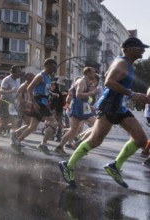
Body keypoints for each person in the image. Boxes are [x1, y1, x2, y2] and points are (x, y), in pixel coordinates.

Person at [59, 37, 149, 188]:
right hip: (109, 106)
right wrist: (132, 94)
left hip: (119, 107)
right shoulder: (122, 63)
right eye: (139, 47)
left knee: (140, 139)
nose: (143, 50)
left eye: (143, 48)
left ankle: (114, 166)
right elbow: (109, 81)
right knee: (95, 140)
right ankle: (68, 165)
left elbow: (108, 74)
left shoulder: (124, 63)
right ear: (127, 49)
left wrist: (131, 94)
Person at [10, 59, 59, 154]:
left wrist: (52, 94)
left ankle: (17, 142)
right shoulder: (40, 76)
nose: (55, 69)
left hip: (42, 103)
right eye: (53, 67)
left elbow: (44, 90)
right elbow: (29, 89)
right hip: (39, 104)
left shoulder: (48, 77)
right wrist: (34, 103)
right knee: (54, 123)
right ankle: (43, 144)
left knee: (32, 127)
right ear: (47, 66)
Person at [55, 67, 98, 154]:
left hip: (84, 107)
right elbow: (78, 95)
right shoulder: (81, 81)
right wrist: (92, 93)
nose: (95, 74)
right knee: (73, 130)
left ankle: (79, 141)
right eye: (93, 72)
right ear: (88, 73)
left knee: (97, 124)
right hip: (77, 107)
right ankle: (60, 147)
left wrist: (91, 88)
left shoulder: (87, 82)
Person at [0, 65, 22, 150]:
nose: (20, 73)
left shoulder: (17, 80)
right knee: (5, 123)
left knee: (16, 122)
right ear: (13, 72)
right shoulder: (7, 79)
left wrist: (17, 97)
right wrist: (10, 91)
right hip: (4, 102)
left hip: (11, 104)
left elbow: (16, 92)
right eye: (19, 71)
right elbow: (1, 91)